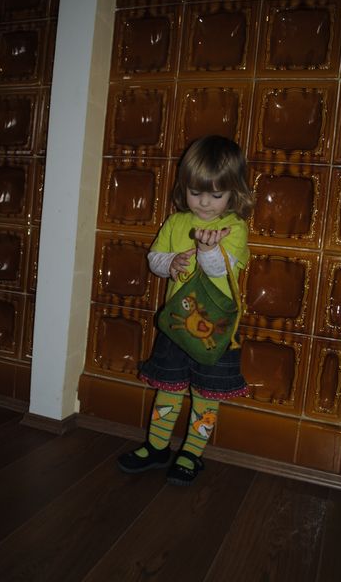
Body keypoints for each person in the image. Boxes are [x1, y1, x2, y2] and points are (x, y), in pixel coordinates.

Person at [117, 135, 253, 485]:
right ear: (184, 187)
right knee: (168, 385)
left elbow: (220, 271)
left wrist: (208, 250)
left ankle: (191, 452)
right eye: (196, 192)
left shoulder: (235, 228)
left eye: (216, 195)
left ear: (234, 192)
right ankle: (157, 446)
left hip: (216, 330)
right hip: (177, 327)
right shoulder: (176, 222)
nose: (204, 202)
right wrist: (170, 263)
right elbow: (154, 259)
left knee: (207, 393)